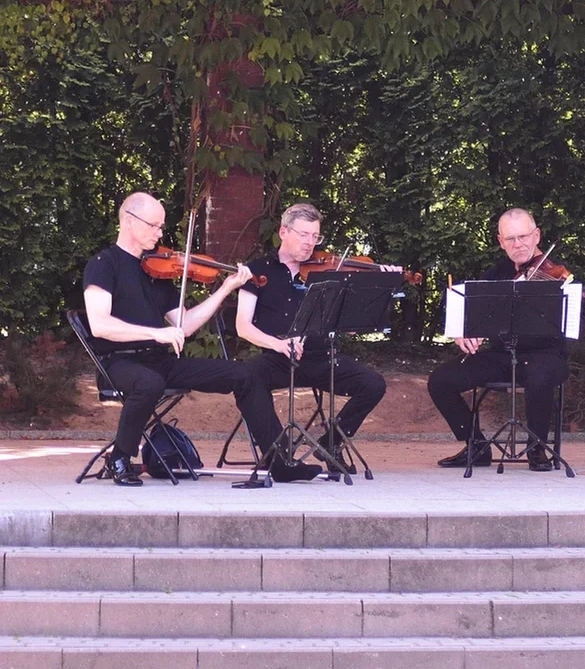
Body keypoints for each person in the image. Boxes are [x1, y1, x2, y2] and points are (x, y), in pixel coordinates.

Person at [82, 192, 321, 486]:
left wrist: (226, 288)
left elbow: (185, 324)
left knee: (246, 373)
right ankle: (119, 457)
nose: (160, 233)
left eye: (161, 226)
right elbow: (99, 325)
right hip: (118, 363)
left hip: (159, 360)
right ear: (130, 222)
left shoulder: (156, 271)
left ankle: (279, 461)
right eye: (154, 226)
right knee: (149, 382)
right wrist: (156, 334)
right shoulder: (104, 264)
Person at [235, 203, 388, 473]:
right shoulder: (258, 271)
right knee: (248, 378)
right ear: (283, 231)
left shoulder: (326, 272)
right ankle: (279, 457)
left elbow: (350, 327)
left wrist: (379, 284)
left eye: (315, 236)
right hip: (277, 357)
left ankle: (331, 443)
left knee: (373, 383)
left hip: (321, 358)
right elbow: (243, 327)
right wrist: (279, 344)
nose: (310, 243)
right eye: (304, 235)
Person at [427, 208, 572, 472]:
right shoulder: (496, 273)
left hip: (546, 355)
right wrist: (463, 333)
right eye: (510, 239)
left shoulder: (556, 274)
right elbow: (468, 310)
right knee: (441, 380)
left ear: (537, 235)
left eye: (523, 237)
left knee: (539, 375)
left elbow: (576, 313)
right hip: (503, 355)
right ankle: (476, 445)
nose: (518, 244)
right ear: (500, 241)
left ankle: (537, 448)